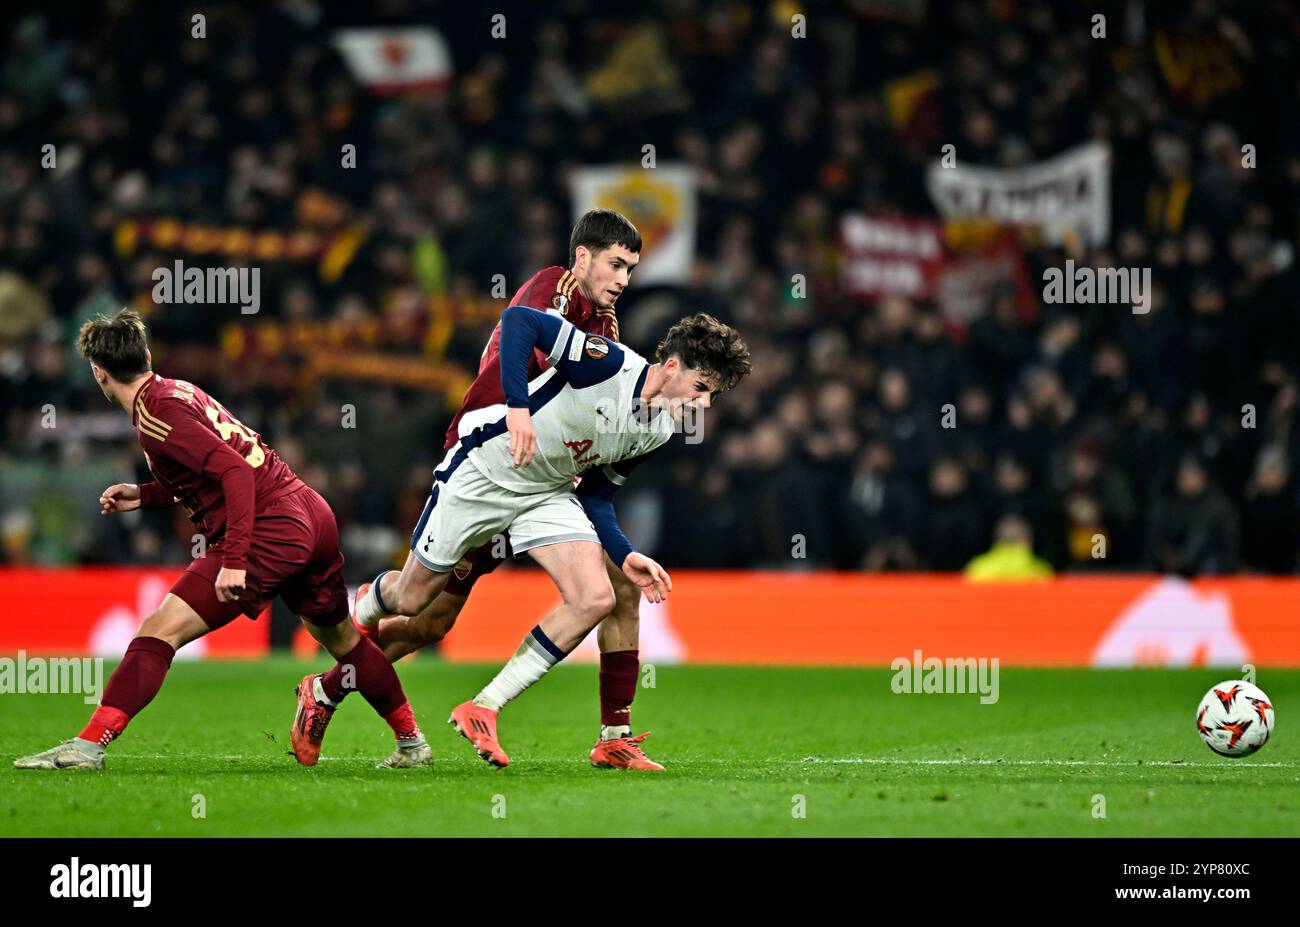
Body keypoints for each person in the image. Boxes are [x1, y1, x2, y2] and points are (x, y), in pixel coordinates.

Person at [305, 209, 672, 769]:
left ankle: (613, 735)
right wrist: (525, 410)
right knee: (424, 616)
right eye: (616, 264)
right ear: (582, 257)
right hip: (493, 458)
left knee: (613, 587)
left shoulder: (606, 326)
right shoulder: (554, 289)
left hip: (542, 480)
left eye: (630, 269)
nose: (623, 280)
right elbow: (524, 341)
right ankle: (337, 664)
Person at [319, 304, 750, 768]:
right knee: (412, 602)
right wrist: (519, 407)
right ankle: (363, 612)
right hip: (486, 468)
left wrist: (625, 555)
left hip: (545, 492)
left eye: (713, 395)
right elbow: (521, 320)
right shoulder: (606, 363)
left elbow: (599, 498)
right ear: (671, 367)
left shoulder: (660, 428)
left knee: (595, 598)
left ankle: (483, 707)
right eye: (702, 388)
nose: (704, 404)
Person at [15, 310, 429, 771]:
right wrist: (146, 495)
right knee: (343, 639)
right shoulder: (176, 390)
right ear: (147, 356)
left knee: (158, 631)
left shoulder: (156, 415)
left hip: (269, 528)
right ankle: (412, 743)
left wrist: (234, 559)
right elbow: (211, 468)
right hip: (309, 510)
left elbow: (233, 471)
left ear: (99, 373)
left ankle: (88, 746)